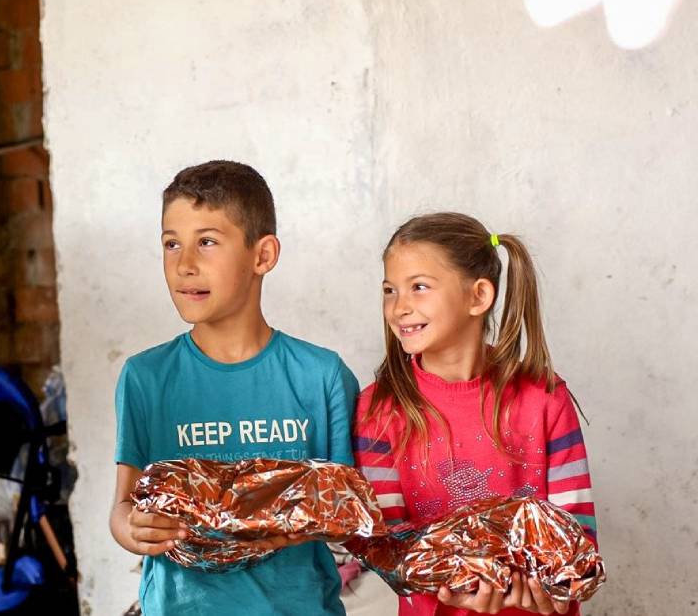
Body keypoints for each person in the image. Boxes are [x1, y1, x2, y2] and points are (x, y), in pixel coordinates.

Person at [108, 160, 359, 616]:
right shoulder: (145, 378)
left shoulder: (322, 377)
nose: (184, 264)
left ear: (262, 256)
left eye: (207, 242)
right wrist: (133, 529)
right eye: (171, 244)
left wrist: (282, 520)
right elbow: (124, 507)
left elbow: (347, 516)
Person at [353, 212, 597, 616]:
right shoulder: (378, 410)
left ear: (478, 297)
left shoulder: (546, 400)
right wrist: (455, 583)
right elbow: (383, 544)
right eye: (389, 290)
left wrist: (545, 591)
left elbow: (579, 538)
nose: (399, 307)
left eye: (419, 287)